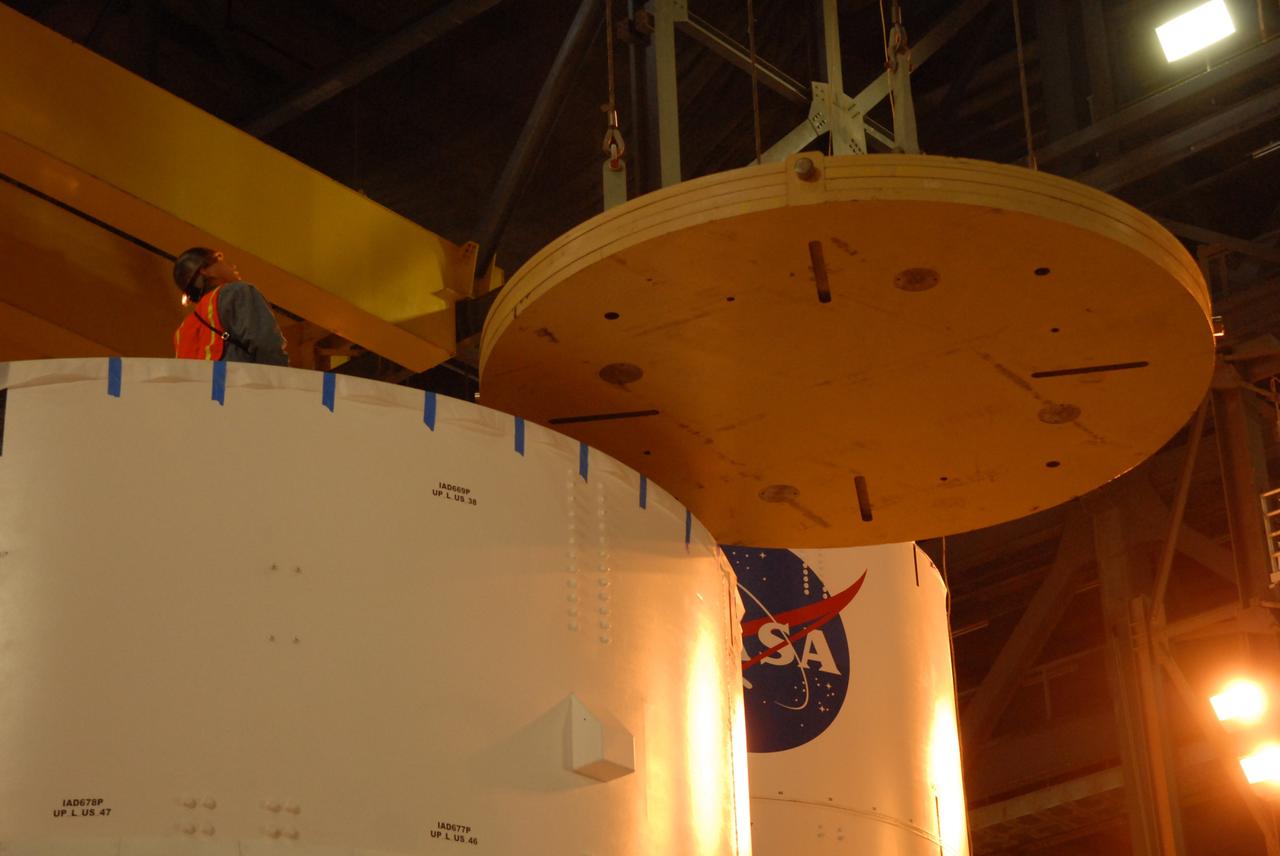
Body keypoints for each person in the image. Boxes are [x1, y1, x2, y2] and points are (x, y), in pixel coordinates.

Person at [171, 247, 289, 366]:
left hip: (207, 384)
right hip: (238, 382)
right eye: (220, 259)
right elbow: (267, 345)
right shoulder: (237, 292)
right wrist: (281, 380)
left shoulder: (183, 330)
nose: (232, 266)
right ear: (204, 270)